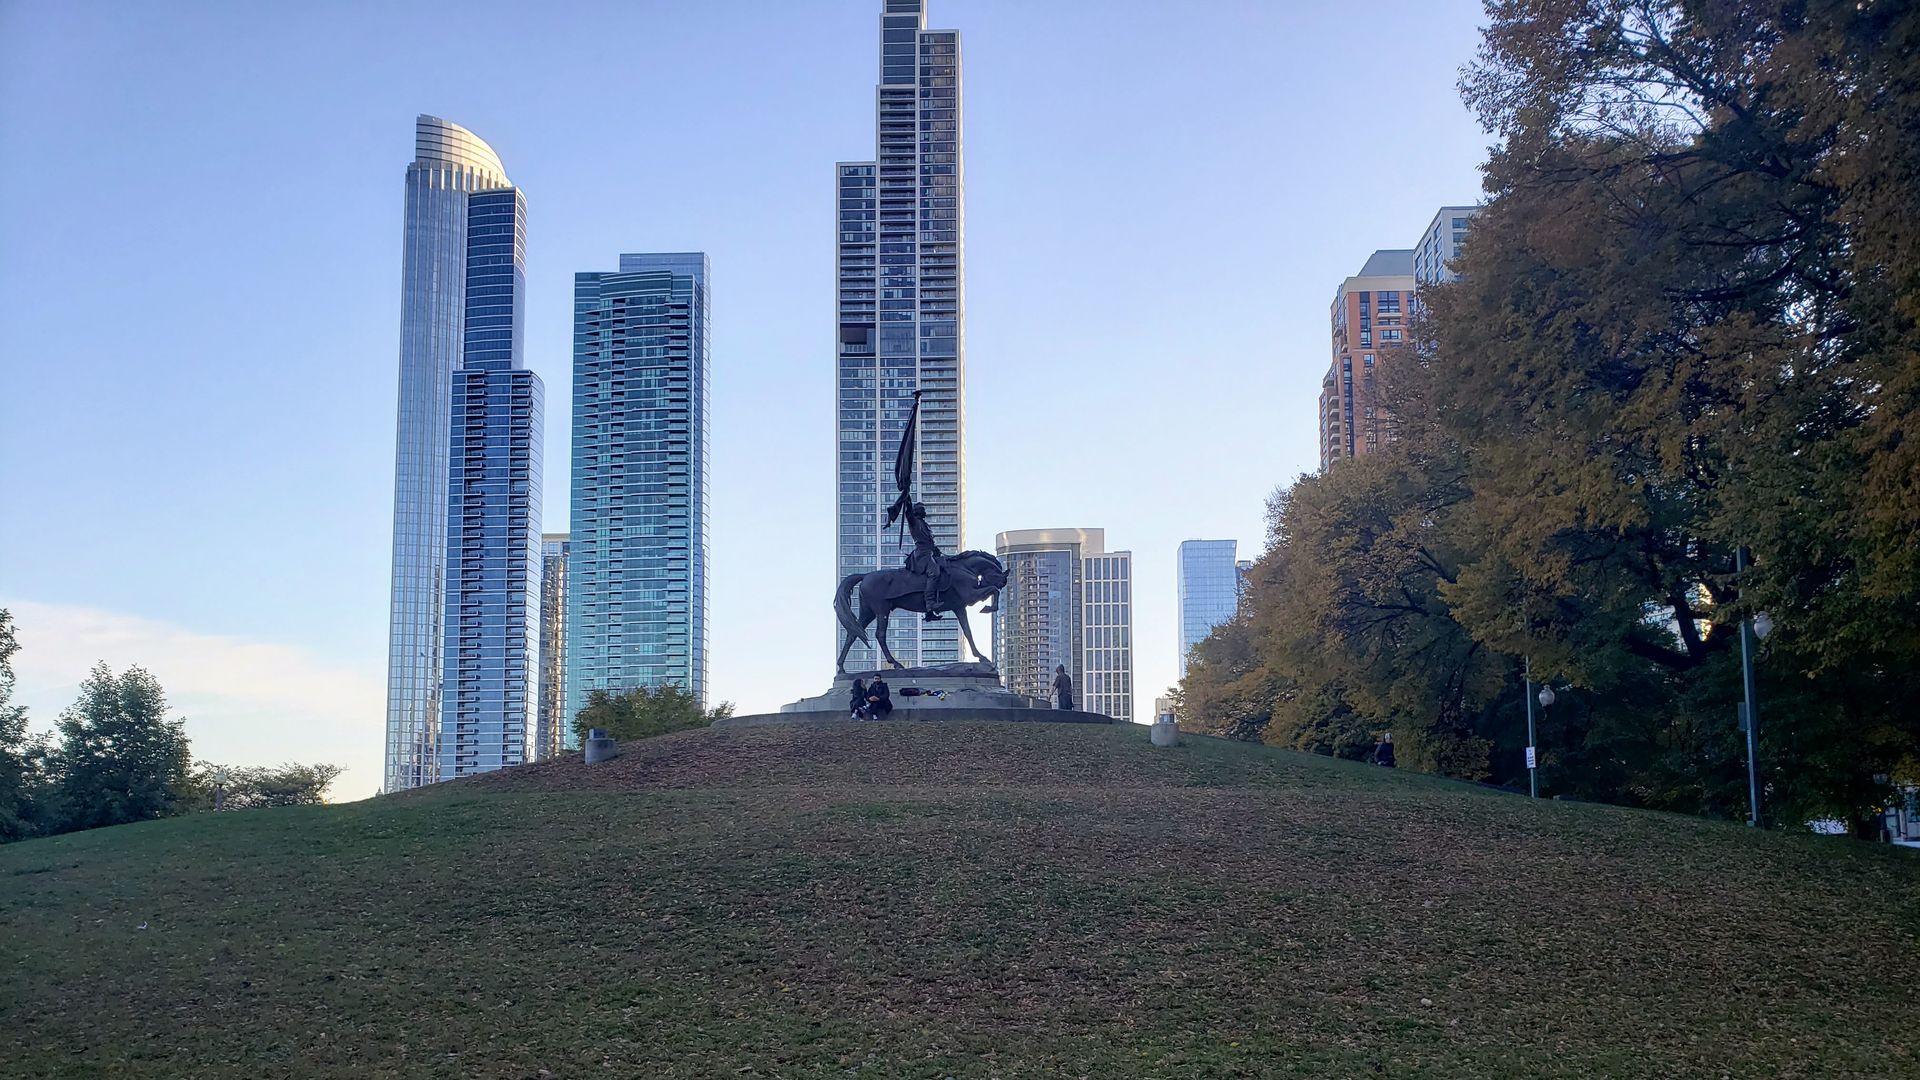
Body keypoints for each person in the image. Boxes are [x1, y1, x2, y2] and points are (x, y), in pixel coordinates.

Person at [901, 500, 945, 620]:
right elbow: (908, 513)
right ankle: (930, 603)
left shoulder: (924, 525)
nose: (924, 511)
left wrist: (936, 550)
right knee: (934, 573)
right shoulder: (914, 522)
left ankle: (929, 613)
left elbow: (929, 541)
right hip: (922, 554)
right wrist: (907, 498)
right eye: (922, 509)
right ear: (917, 511)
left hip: (930, 552)